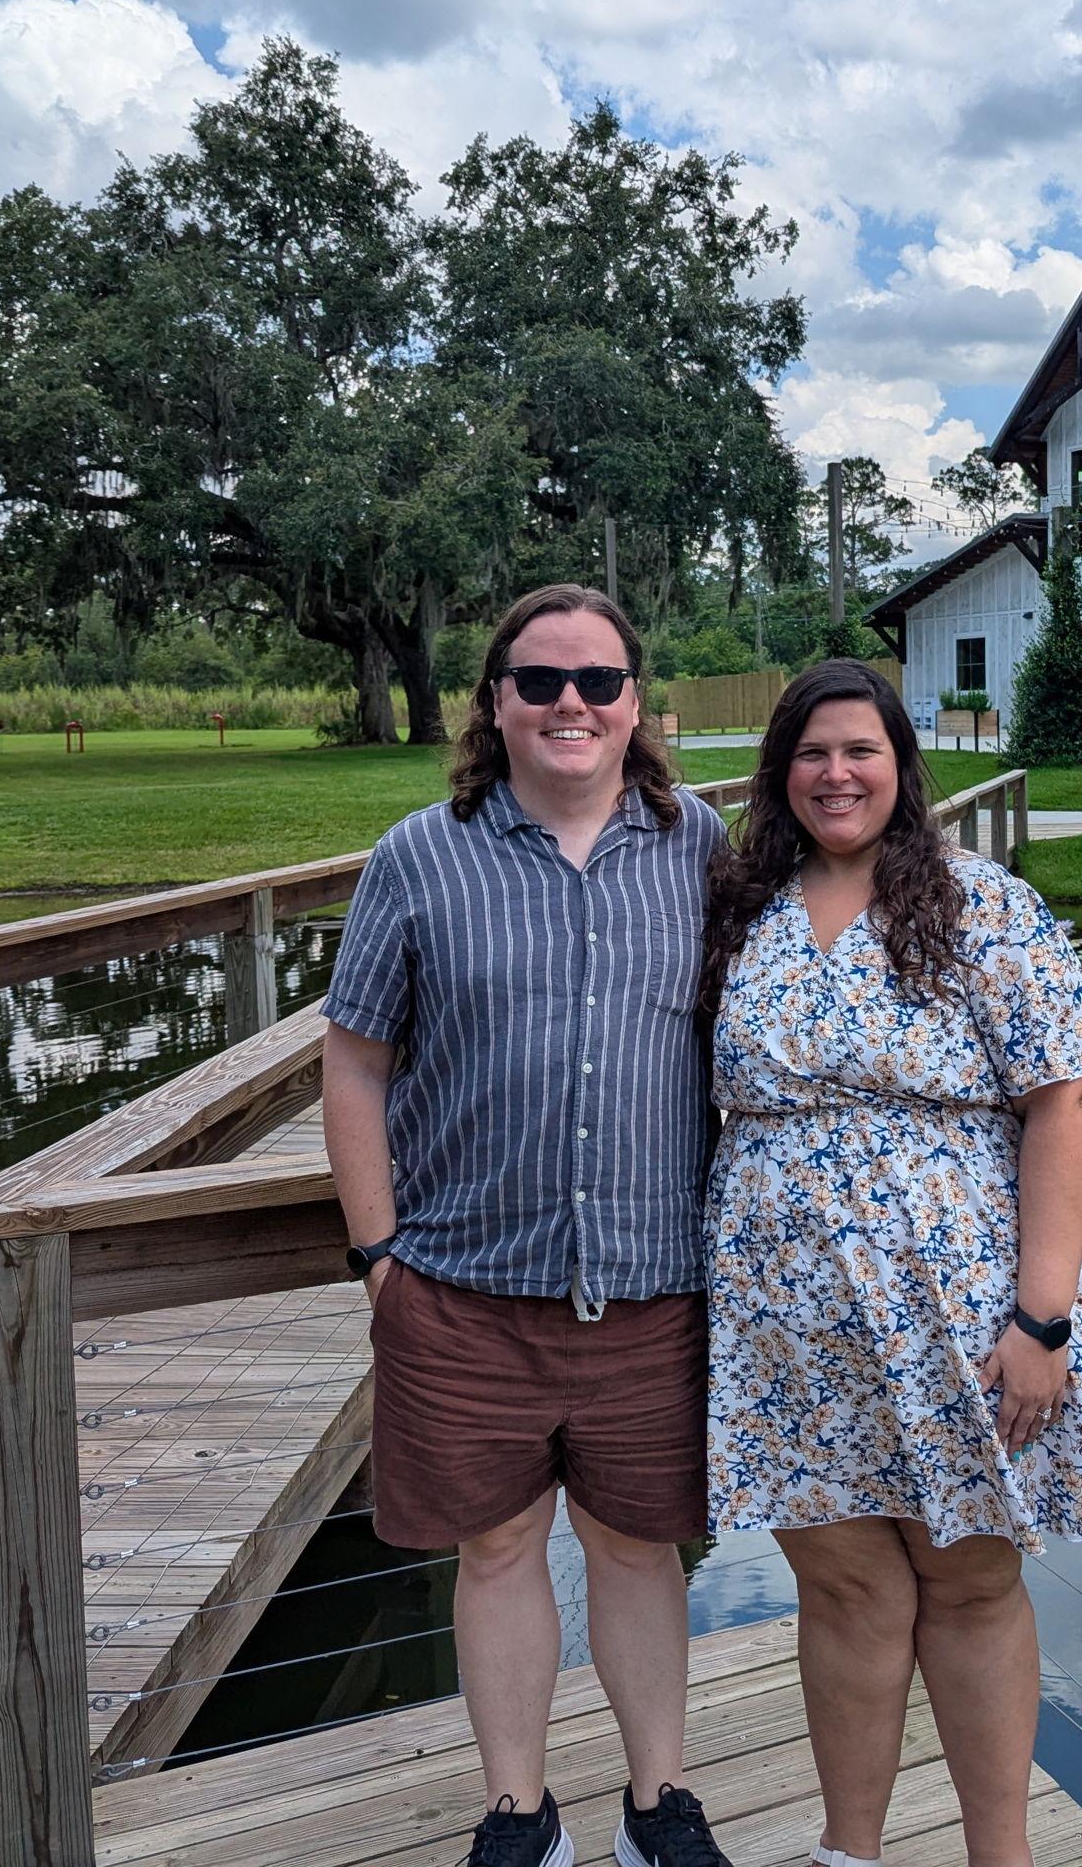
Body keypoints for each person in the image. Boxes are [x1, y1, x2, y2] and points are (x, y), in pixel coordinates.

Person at [700, 659, 1082, 1867]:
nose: (834, 773)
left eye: (858, 749)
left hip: (957, 1312)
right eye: (809, 752)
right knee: (844, 1590)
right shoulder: (743, 906)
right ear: (778, 771)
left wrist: (1041, 1318)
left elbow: (1061, 1103)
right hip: (785, 1323)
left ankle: (994, 1856)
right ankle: (851, 1852)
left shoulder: (975, 901)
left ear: (900, 765)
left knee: (966, 1585)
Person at [322, 584, 735, 1867]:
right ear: (493, 700)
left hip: (649, 1284)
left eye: (598, 681)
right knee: (496, 1547)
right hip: (458, 1284)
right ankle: (516, 1810)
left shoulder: (703, 847)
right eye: (540, 679)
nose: (570, 702)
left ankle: (655, 1801)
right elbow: (352, 1063)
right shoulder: (417, 853)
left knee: (635, 1546)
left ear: (635, 706)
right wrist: (377, 1256)